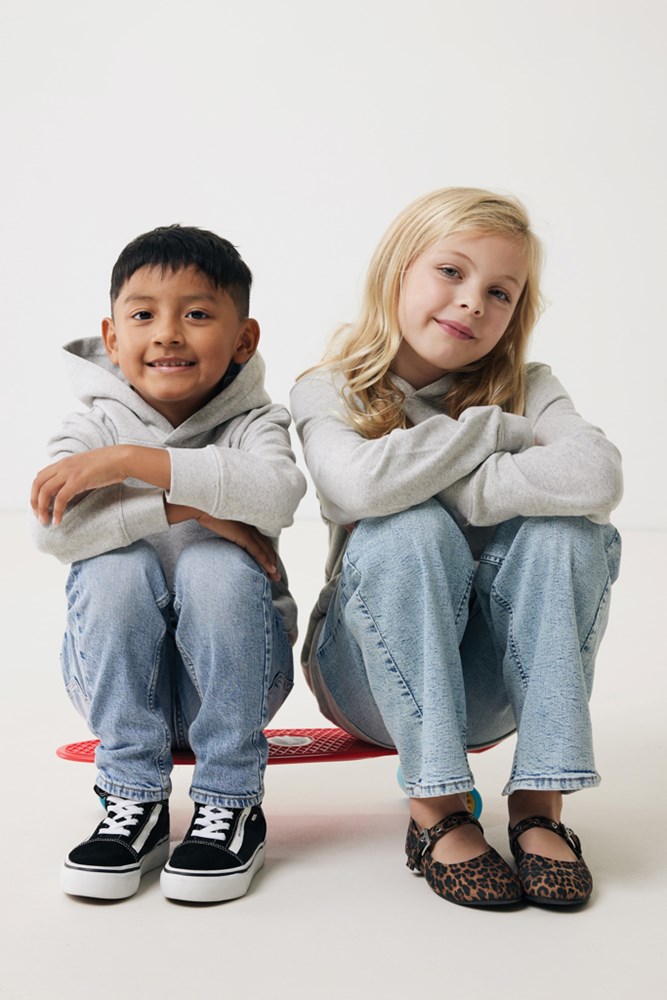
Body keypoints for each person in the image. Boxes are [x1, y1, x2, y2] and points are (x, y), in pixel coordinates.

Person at [290, 188, 622, 908]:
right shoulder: (330, 388)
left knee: (568, 531)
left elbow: (598, 477)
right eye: (451, 272)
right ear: (397, 271)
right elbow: (358, 486)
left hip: (496, 682)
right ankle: (436, 806)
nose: (472, 301)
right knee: (405, 527)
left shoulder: (531, 385)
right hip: (367, 677)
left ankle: (540, 802)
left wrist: (450, 483)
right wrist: (496, 432)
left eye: (499, 292)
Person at [32, 225, 307, 903]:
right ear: (112, 337)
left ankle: (231, 802)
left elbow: (278, 493)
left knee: (216, 567)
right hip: (119, 689)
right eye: (143, 315)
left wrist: (131, 464)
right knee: (110, 569)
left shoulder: (254, 423)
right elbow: (54, 533)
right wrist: (186, 508)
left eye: (198, 314)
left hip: (240, 684)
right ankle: (133, 799)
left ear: (244, 339)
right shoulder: (91, 427)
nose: (168, 335)